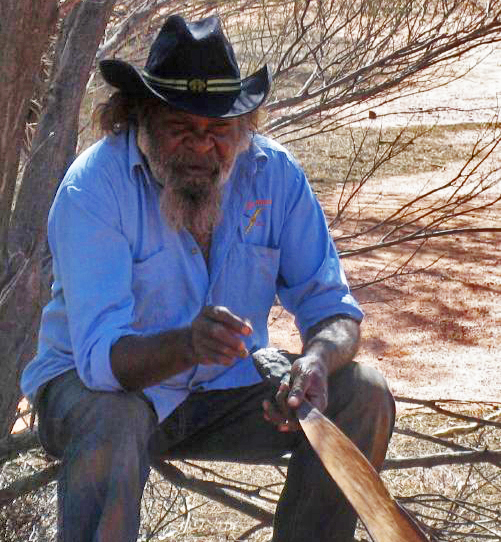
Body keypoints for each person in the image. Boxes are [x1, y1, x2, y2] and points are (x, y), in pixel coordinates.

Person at [21, 14, 395, 542]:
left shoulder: (275, 175)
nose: (201, 147)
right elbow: (102, 362)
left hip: (226, 391)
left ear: (243, 129)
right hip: (96, 393)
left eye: (218, 131)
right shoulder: (94, 187)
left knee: (363, 391)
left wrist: (312, 363)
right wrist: (187, 345)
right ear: (140, 120)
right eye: (181, 129)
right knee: (113, 418)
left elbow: (332, 306)